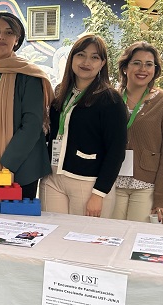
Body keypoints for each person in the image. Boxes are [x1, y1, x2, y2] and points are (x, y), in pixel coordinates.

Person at [40, 34, 127, 217]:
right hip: (53, 178)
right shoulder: (61, 92)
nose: (86, 62)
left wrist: (99, 193)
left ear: (102, 63)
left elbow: (116, 151)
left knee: (83, 242)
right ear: (72, 58)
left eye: (94, 57)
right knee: (52, 239)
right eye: (81, 55)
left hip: (88, 183)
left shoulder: (110, 99)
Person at [0, 13, 54, 199]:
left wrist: (7, 163)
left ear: (16, 40)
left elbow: (32, 124)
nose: (2, 36)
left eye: (9, 32)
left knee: (14, 224)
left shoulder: (29, 76)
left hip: (21, 166)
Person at [111, 42, 163, 224]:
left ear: (155, 69)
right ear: (125, 67)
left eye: (149, 64)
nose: (143, 69)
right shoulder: (110, 98)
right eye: (136, 63)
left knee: (136, 239)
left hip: (146, 186)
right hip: (111, 183)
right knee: (109, 237)